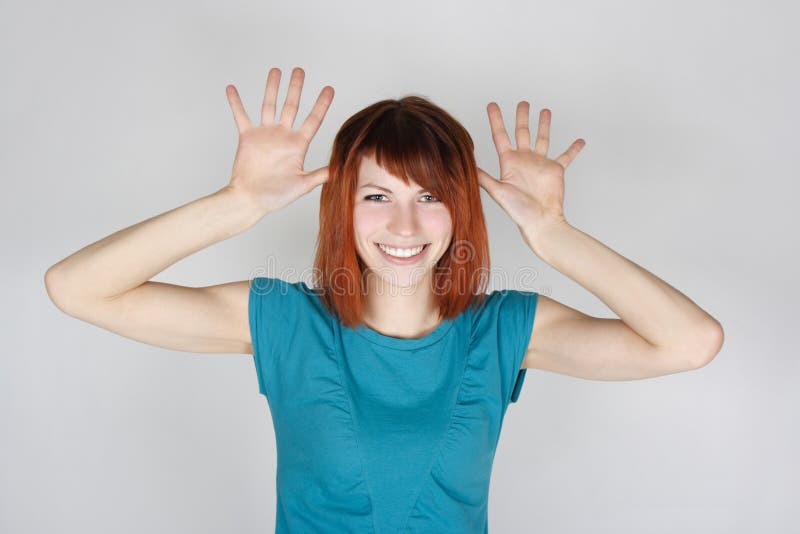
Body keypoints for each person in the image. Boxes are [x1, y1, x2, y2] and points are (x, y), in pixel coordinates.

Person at [44, 66, 724, 532]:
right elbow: (76, 288)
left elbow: (691, 342)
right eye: (378, 197)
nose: (404, 227)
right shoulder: (284, 321)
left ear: (461, 212)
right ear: (344, 208)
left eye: (430, 198)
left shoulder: (505, 331)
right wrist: (236, 205)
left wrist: (554, 235)